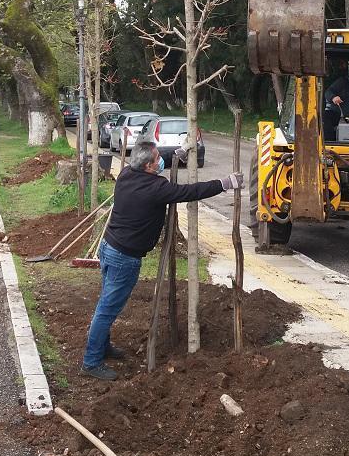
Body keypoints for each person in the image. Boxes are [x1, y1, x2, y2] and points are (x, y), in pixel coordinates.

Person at [81, 141, 244, 381]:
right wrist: (224, 184)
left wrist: (179, 152)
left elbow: (157, 157)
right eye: (158, 159)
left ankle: (102, 348)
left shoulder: (126, 173)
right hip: (125, 258)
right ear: (148, 166)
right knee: (107, 309)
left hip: (108, 248)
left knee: (105, 304)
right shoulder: (156, 188)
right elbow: (190, 191)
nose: (161, 161)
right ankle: (91, 361)